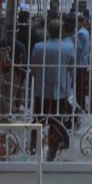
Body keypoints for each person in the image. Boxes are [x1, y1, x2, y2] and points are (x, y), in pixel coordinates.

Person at [30, 19, 75, 160]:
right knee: (58, 118)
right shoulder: (68, 48)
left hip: (41, 88)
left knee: (39, 116)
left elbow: (33, 66)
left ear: (48, 31)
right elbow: (71, 68)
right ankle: (55, 144)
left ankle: (34, 143)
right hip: (60, 88)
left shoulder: (38, 47)